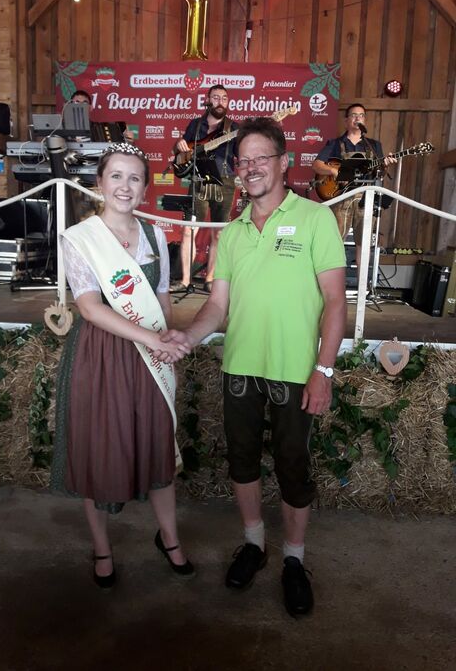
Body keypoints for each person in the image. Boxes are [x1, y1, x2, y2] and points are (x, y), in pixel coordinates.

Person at [162, 117, 347, 616]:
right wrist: (187, 336)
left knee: (293, 467)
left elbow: (335, 302)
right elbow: (217, 306)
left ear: (283, 163)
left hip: (295, 370)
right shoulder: (233, 233)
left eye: (261, 157)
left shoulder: (315, 219)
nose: (251, 168)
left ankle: (294, 559)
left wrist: (324, 371)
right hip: (240, 367)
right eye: (243, 161)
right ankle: (254, 543)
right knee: (242, 461)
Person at [50, 142, 194, 589]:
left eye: (134, 178)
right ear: (99, 183)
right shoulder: (81, 238)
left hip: (150, 356)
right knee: (98, 450)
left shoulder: (155, 236)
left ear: (146, 187)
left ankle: (169, 537)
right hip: (101, 357)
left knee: (158, 443)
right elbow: (90, 308)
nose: (125, 186)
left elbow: (163, 300)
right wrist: (153, 340)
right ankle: (102, 548)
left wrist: (167, 340)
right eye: (116, 176)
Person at [312, 103, 397, 271]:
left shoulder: (374, 146)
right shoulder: (335, 143)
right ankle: (333, 283)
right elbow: (316, 165)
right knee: (335, 242)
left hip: (365, 199)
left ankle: (361, 285)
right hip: (341, 197)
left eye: (361, 115)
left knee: (363, 245)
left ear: (365, 120)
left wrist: (385, 164)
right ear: (346, 121)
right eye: (354, 115)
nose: (358, 118)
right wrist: (333, 170)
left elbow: (379, 172)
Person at [172, 84, 238, 292]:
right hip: (198, 179)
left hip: (224, 181)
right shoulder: (196, 124)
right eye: (216, 97)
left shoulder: (234, 128)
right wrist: (179, 145)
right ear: (208, 100)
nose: (220, 102)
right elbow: (182, 150)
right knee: (188, 230)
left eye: (224, 98)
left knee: (218, 233)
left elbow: (243, 154)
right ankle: (185, 280)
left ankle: (210, 279)